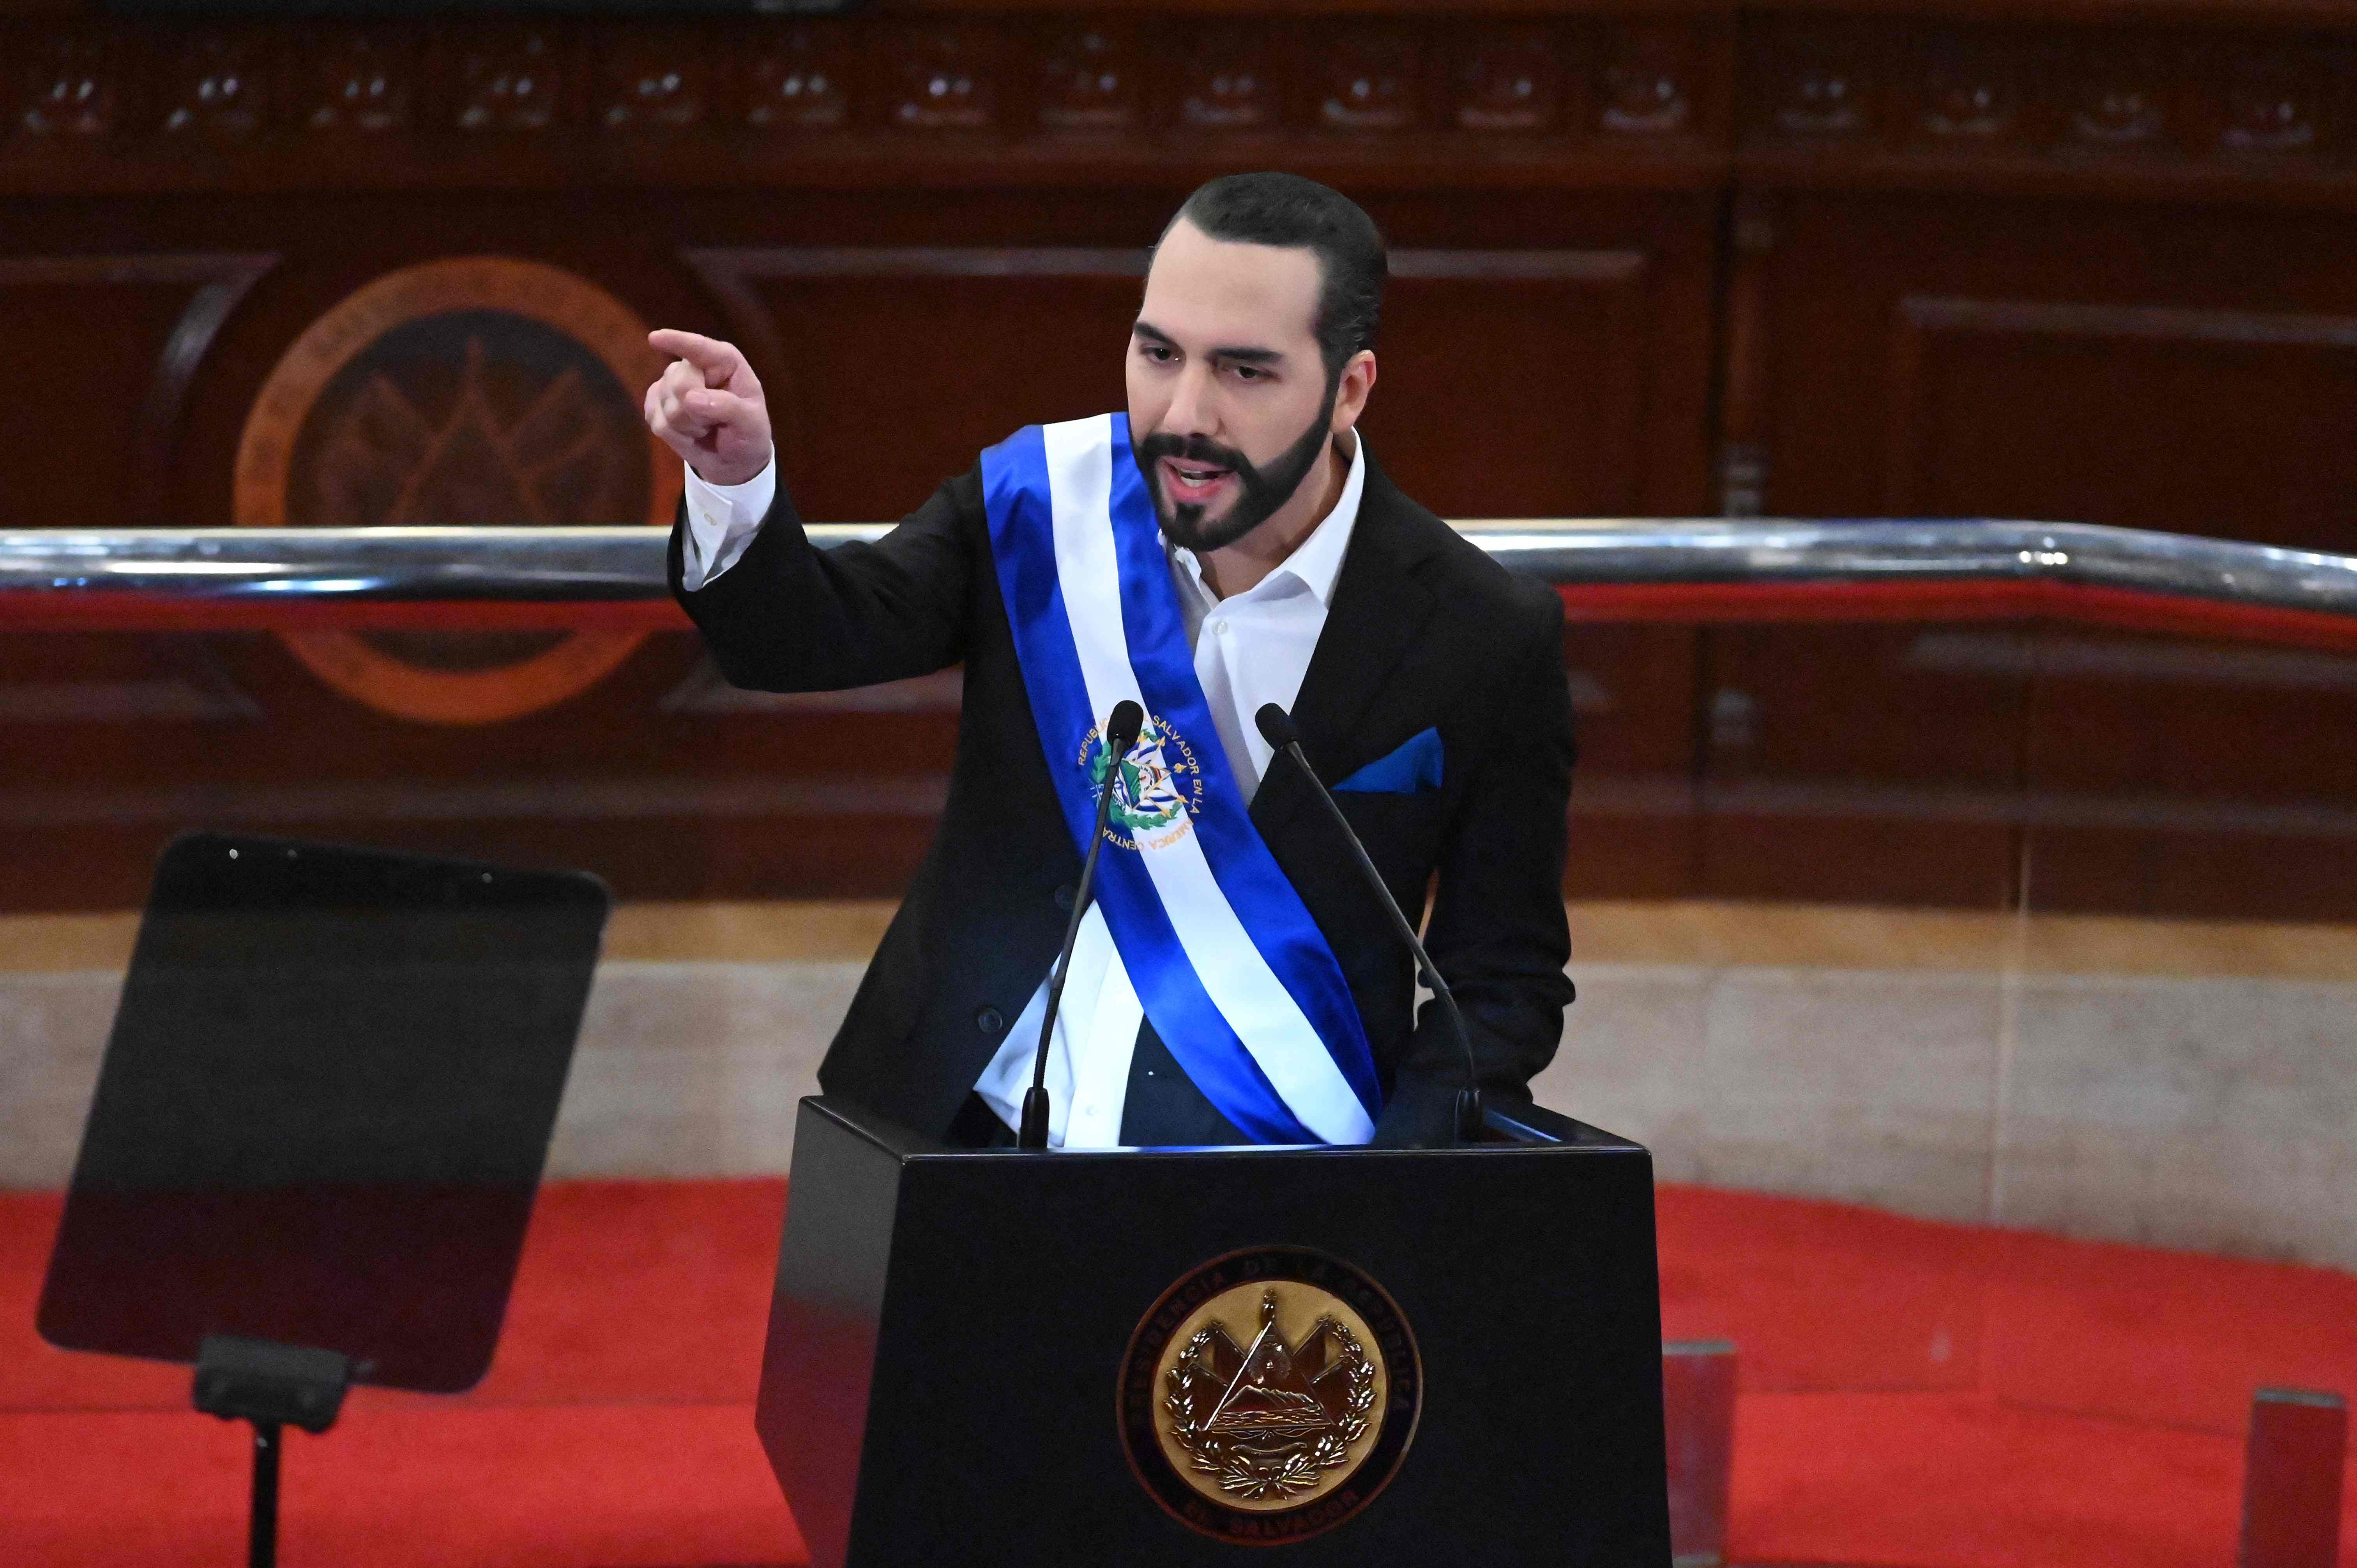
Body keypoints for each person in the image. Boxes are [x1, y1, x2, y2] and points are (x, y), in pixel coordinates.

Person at [645, 171, 1574, 1150]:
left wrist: (1391, 1188)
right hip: (959, 1132)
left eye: (1245, 371)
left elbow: (1502, 980)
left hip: (1276, 1173)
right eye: (1159, 353)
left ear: (1349, 389)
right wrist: (734, 479)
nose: (1185, 413)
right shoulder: (1044, 509)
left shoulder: (1481, 631)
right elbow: (795, 640)